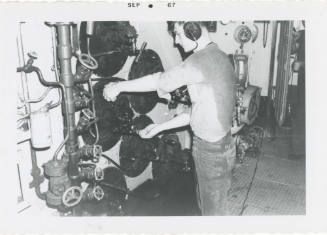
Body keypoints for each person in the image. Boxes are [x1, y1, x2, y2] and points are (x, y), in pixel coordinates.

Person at [103, 21, 236, 215]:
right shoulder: (219, 56)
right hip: (219, 147)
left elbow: (159, 80)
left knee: (213, 215)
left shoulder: (201, 61)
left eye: (178, 34)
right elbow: (196, 112)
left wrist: (118, 86)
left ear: (193, 31)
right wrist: (159, 128)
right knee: (207, 206)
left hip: (211, 154)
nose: (176, 41)